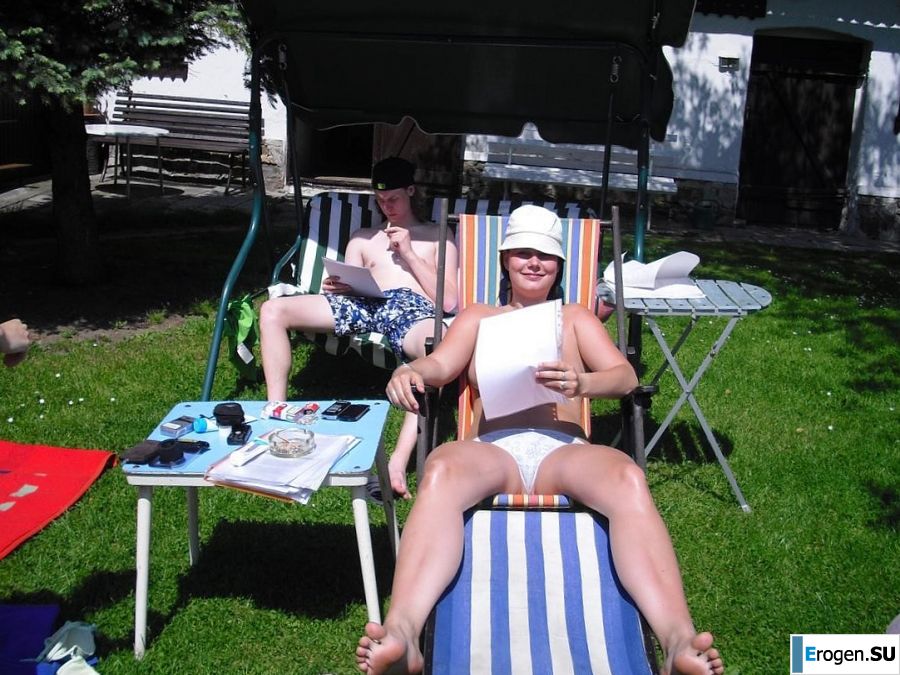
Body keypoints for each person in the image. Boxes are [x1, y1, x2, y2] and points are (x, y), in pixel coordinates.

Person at [355, 205, 723, 675]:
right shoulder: (478, 317)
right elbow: (441, 366)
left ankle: (676, 643)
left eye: (545, 256)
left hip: (562, 451)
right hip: (494, 450)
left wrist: (583, 384)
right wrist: (411, 369)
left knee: (629, 478)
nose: (533, 263)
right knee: (441, 468)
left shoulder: (574, 318)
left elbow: (625, 375)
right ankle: (404, 636)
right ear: (505, 260)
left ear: (560, 266)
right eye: (523, 253)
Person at [259, 157, 458, 499]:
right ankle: (275, 413)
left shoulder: (437, 236)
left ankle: (396, 465)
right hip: (362, 302)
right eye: (381, 200)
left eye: (394, 198)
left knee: (434, 350)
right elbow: (346, 280)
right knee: (273, 310)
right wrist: (338, 286)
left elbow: (450, 301)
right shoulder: (363, 237)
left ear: (411, 191)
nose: (387, 206)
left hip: (410, 308)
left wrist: (409, 254)